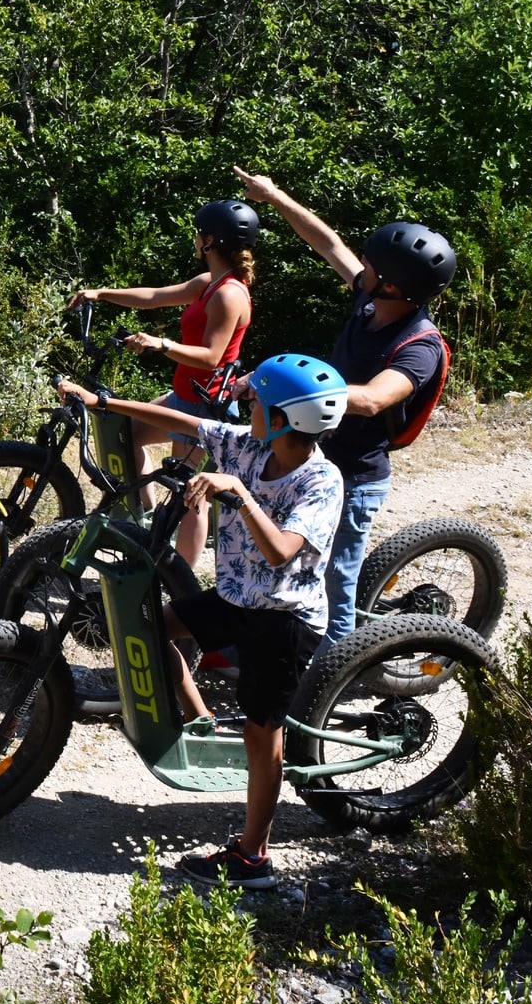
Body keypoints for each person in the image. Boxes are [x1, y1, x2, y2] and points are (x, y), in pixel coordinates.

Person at [57, 352, 348, 889]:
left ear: (282, 418)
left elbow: (283, 550)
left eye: (255, 398)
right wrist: (102, 402)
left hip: (283, 622)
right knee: (143, 630)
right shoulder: (247, 444)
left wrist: (239, 493)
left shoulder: (321, 482)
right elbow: (186, 421)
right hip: (236, 600)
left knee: (264, 738)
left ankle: (252, 858)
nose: (245, 400)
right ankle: (201, 716)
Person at [234, 168, 454, 647]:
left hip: (355, 476)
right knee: (273, 557)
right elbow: (329, 243)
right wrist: (274, 197)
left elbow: (375, 398)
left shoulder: (420, 345)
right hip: (310, 459)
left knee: (333, 585)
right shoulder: (372, 301)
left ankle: (326, 683)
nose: (363, 269)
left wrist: (285, 389)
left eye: (372, 266)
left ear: (394, 286)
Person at [68, 198, 259, 563]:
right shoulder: (209, 282)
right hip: (184, 393)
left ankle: (179, 577)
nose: (195, 239)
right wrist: (101, 293)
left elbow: (212, 356)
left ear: (210, 241)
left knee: (191, 495)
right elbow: (156, 297)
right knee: (126, 438)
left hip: (204, 403)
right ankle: (148, 523)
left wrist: (162, 344)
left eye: (198, 234)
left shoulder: (229, 294)